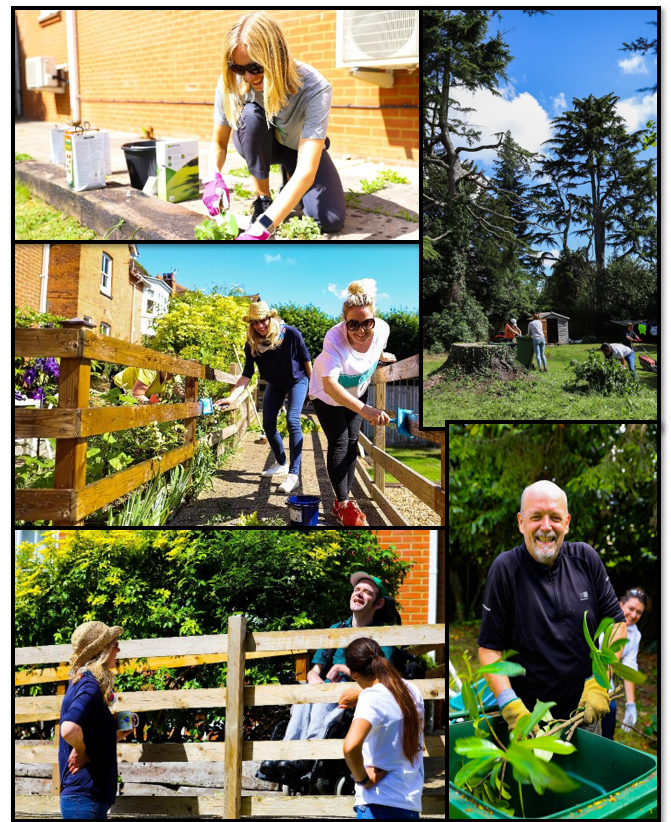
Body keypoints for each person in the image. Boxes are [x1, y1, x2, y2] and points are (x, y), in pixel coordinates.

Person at [478, 480, 628, 737]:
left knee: (588, 777)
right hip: (531, 722)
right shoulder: (505, 570)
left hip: (586, 713)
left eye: (555, 517)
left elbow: (616, 621)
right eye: (536, 516)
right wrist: (511, 706)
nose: (546, 526)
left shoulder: (586, 559)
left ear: (567, 523)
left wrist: (601, 680)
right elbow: (490, 648)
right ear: (521, 522)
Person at [202, 11, 346, 240]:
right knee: (251, 115)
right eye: (239, 68)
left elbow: (307, 169)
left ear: (277, 56)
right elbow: (218, 142)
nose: (248, 77)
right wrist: (213, 177)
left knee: (330, 221)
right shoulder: (230, 80)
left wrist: (264, 227)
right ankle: (263, 197)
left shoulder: (315, 88)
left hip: (297, 147)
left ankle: (289, 178)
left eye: (255, 67)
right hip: (258, 142)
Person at [257, 573, 396, 783]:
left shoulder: (384, 636)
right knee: (308, 688)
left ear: (378, 603)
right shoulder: (336, 630)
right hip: (328, 690)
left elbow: (384, 677)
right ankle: (283, 753)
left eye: (367, 592)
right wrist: (313, 677)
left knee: (331, 690)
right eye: (357, 590)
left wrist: (344, 669)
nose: (359, 593)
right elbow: (316, 669)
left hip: (357, 694)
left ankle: (308, 755)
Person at [309, 281, 396, 526]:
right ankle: (344, 503)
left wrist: (381, 357)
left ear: (374, 320)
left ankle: (342, 501)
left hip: (357, 392)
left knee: (351, 441)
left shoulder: (382, 329)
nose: (360, 330)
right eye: (353, 324)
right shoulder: (334, 339)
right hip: (328, 396)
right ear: (344, 322)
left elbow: (377, 346)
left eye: (367, 323)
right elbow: (331, 386)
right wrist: (366, 410)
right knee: (339, 441)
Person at [214, 301, 312, 494]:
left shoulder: (290, 334)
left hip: (297, 381)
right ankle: (282, 462)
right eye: (255, 322)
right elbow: (246, 375)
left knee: (292, 420)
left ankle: (293, 475)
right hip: (275, 384)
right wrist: (232, 398)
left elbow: (306, 360)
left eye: (263, 320)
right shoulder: (252, 345)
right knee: (267, 424)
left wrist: (314, 388)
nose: (260, 325)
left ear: (270, 318)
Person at [343, 636, 424, 820]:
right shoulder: (412, 691)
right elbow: (389, 699)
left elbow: (350, 747)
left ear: (353, 674)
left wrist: (362, 778)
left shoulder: (371, 698)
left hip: (378, 803)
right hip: (409, 803)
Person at [59, 621, 130, 819]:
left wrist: (112, 735)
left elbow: (87, 736)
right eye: (114, 643)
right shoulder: (89, 686)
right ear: (103, 650)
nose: (118, 648)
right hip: (85, 799)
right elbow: (68, 729)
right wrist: (81, 751)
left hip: (85, 799)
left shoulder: (82, 684)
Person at [600, 588, 647, 741]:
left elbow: (629, 668)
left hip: (606, 683)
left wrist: (631, 704)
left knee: (610, 712)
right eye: (631, 609)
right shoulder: (603, 618)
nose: (634, 615)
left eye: (639, 612)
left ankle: (606, 751)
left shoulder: (635, 634)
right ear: (621, 604)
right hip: (583, 673)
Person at [113, 367, 182, 403]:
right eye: (170, 373)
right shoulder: (150, 370)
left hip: (143, 395)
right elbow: (137, 394)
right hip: (122, 387)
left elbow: (179, 394)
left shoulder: (174, 374)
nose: (172, 375)